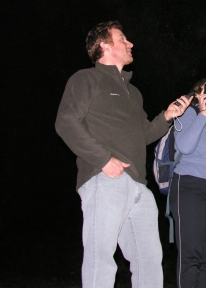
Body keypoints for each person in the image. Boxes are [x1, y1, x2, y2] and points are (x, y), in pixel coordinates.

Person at [55, 21, 191, 288]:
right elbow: (66, 121)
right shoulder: (86, 78)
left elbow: (145, 134)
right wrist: (103, 160)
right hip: (105, 180)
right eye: (123, 39)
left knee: (149, 261)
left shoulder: (133, 93)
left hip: (139, 187)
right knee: (101, 257)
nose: (130, 44)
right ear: (105, 46)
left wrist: (167, 116)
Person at [169, 78, 206, 288]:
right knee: (191, 257)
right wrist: (203, 112)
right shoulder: (187, 113)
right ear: (198, 93)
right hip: (189, 185)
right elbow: (185, 146)